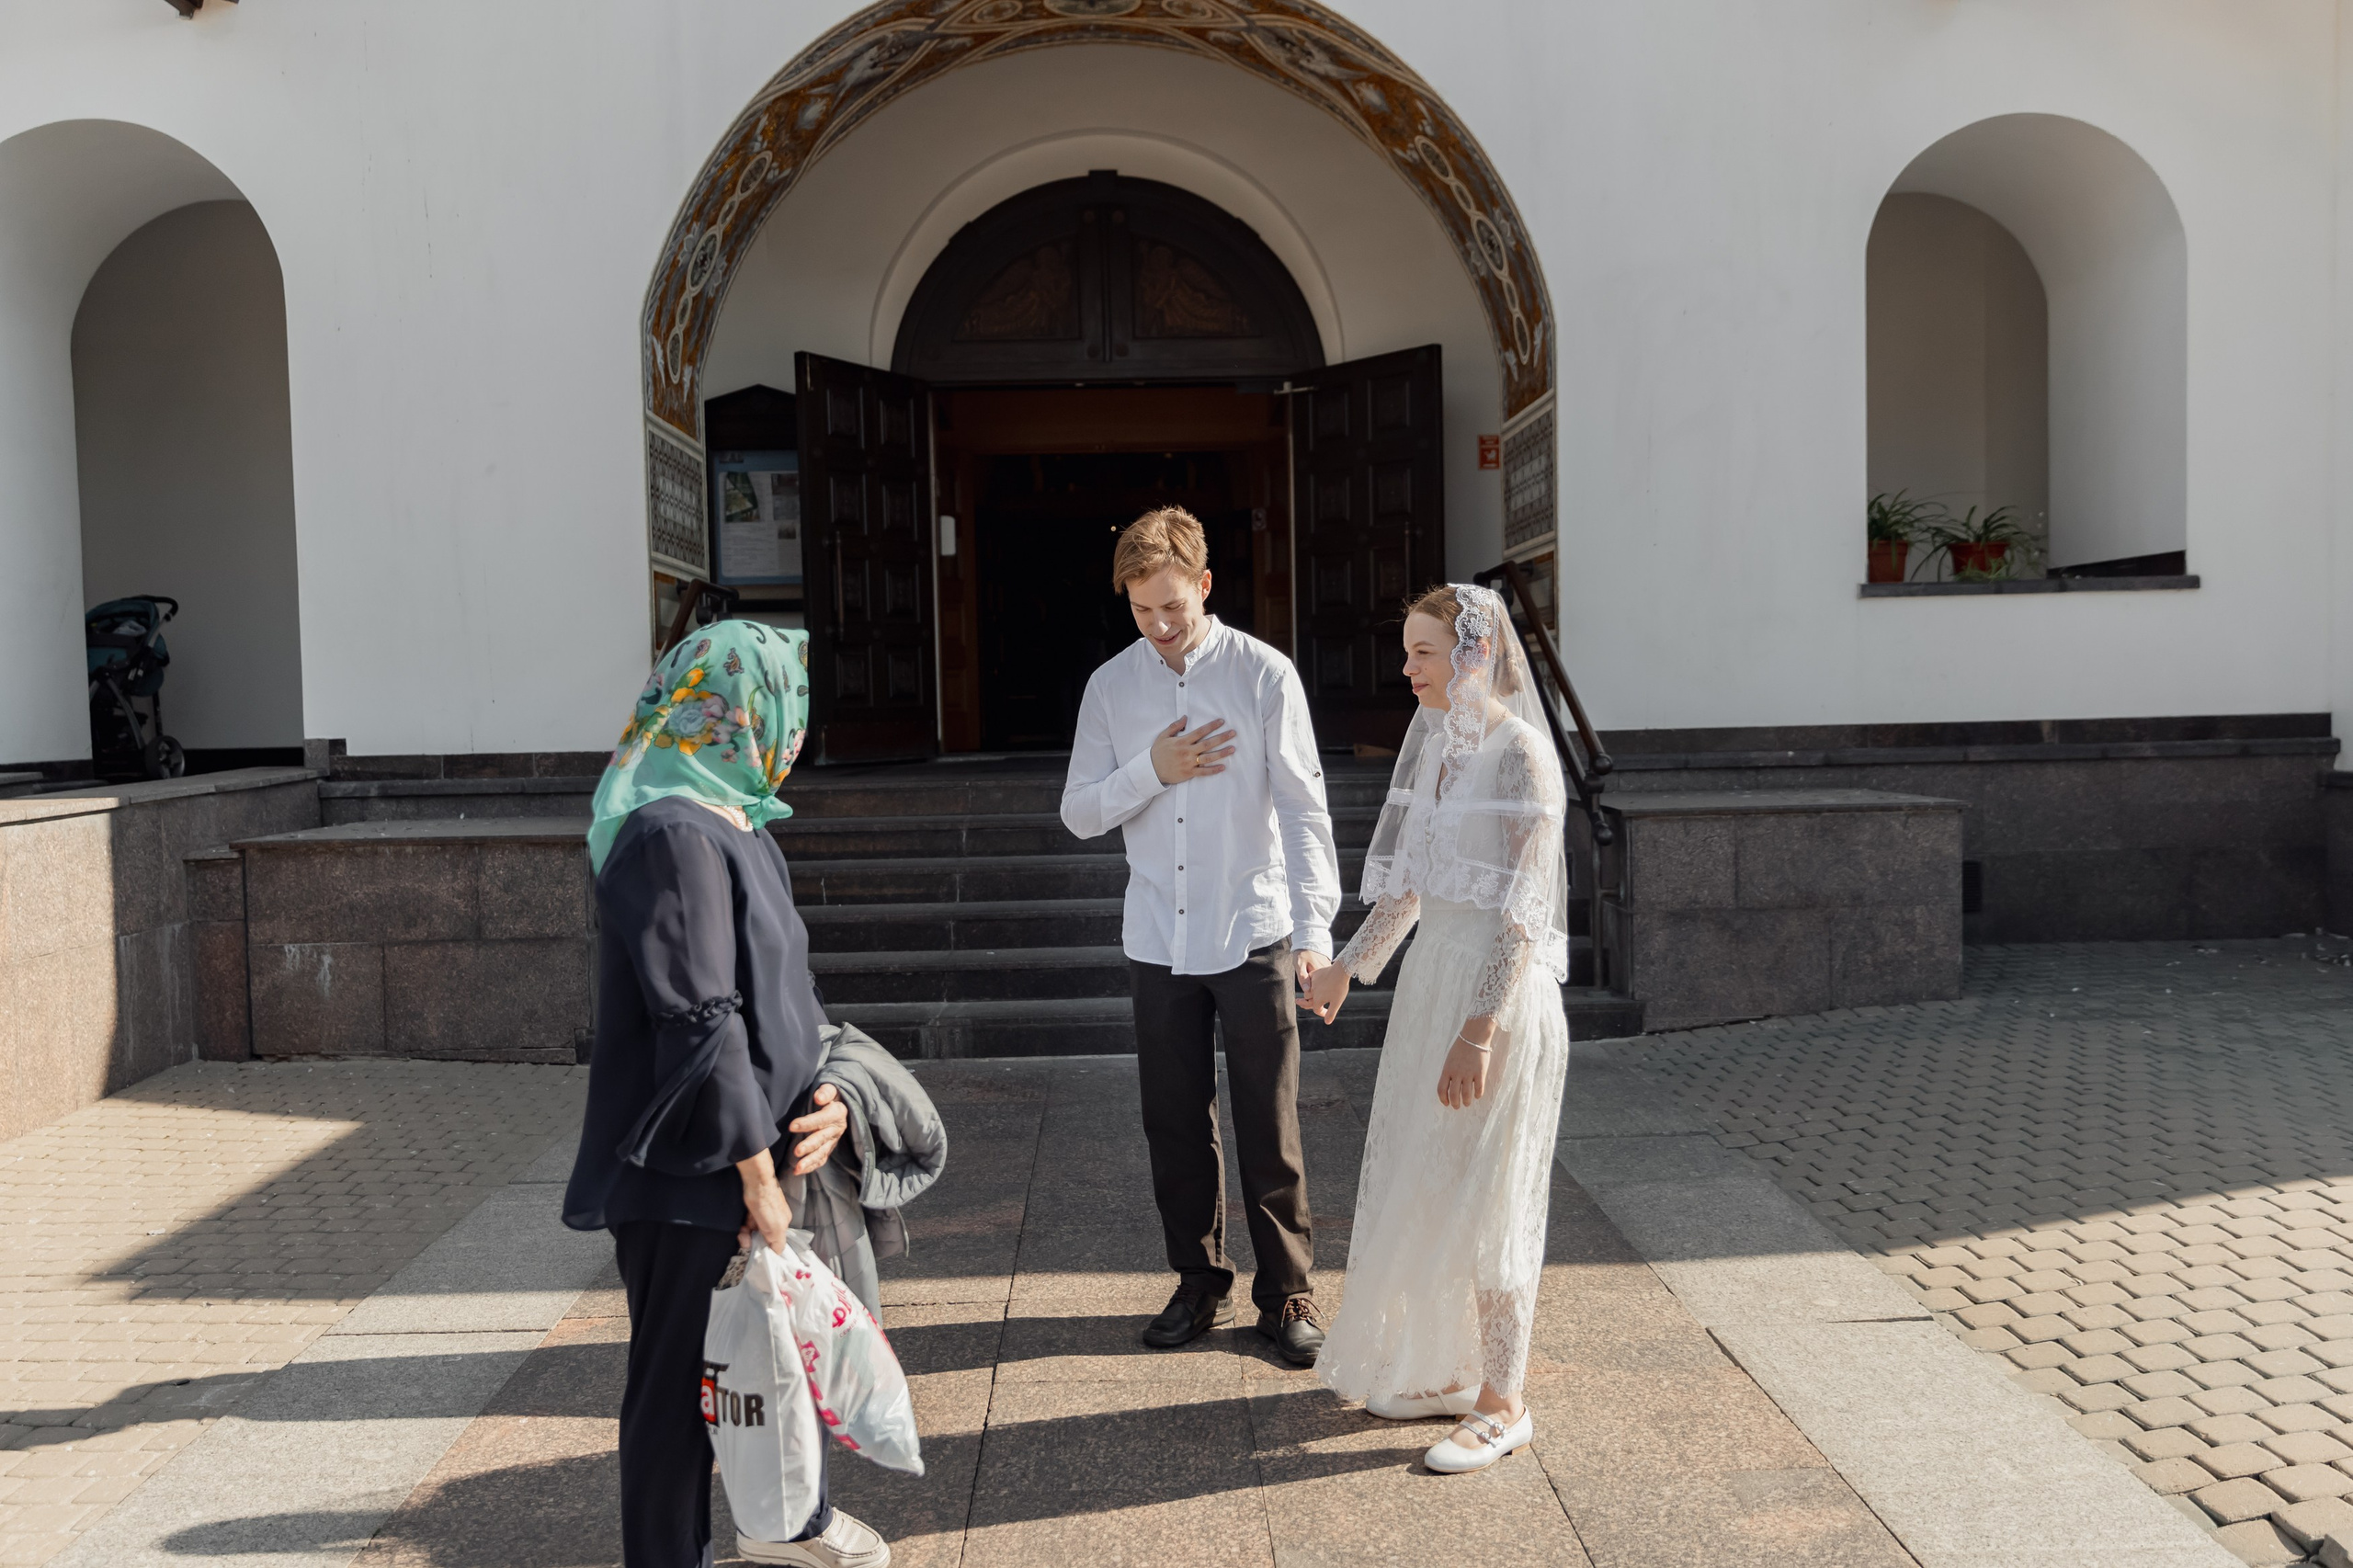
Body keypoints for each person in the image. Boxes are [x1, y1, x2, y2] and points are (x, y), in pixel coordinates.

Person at [562, 620, 891, 1568]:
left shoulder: (739, 817)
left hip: (756, 1157)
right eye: (782, 698)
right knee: (674, 1390)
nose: (794, 722)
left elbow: (785, 995)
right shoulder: (669, 828)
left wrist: (830, 1093)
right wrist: (756, 1176)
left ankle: (788, 1519)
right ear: (739, 709)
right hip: (692, 1170)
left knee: (761, 1363)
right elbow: (698, 1016)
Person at [1298, 583, 1572, 1474]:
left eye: (1422, 651)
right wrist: (1350, 963)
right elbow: (1411, 886)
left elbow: (1524, 913)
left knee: (1494, 1197)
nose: (1406, 667)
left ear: (1474, 654)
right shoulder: (1441, 753)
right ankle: (1454, 1370)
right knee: (1434, 1177)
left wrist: (1480, 1027)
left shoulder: (1521, 756)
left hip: (1495, 1000)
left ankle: (1505, 1400)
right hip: (1432, 987)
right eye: (1409, 650)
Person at [1061, 506, 1341, 1367]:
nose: (1161, 625)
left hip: (1252, 926)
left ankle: (1286, 1289)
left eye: (1174, 605)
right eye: (1144, 610)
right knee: (1173, 1121)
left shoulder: (1263, 675)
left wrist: (1314, 930)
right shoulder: (1111, 688)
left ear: (1205, 584)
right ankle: (1198, 1279)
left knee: (1270, 1116)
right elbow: (1077, 812)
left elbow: (1302, 806)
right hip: (1156, 935)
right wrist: (1153, 770)